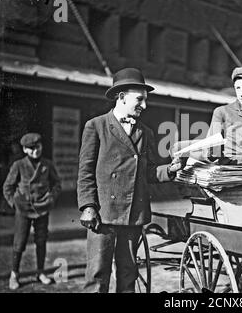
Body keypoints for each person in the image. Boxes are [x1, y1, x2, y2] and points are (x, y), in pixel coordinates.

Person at [77, 67, 186, 293]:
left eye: (145, 100)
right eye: (140, 100)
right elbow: (85, 171)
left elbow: (149, 172)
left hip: (133, 215)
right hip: (103, 215)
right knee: (97, 276)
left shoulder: (145, 132)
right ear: (122, 97)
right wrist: (87, 206)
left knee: (128, 274)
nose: (144, 106)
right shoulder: (96, 126)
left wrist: (171, 170)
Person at [3, 133, 61, 290]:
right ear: (25, 150)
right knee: (20, 242)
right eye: (32, 148)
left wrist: (51, 199)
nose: (36, 151)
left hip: (42, 208)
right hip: (24, 208)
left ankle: (40, 272)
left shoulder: (47, 164)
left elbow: (56, 184)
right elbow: (8, 186)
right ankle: (14, 274)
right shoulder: (19, 165)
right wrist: (14, 203)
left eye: (38, 147)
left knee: (41, 240)